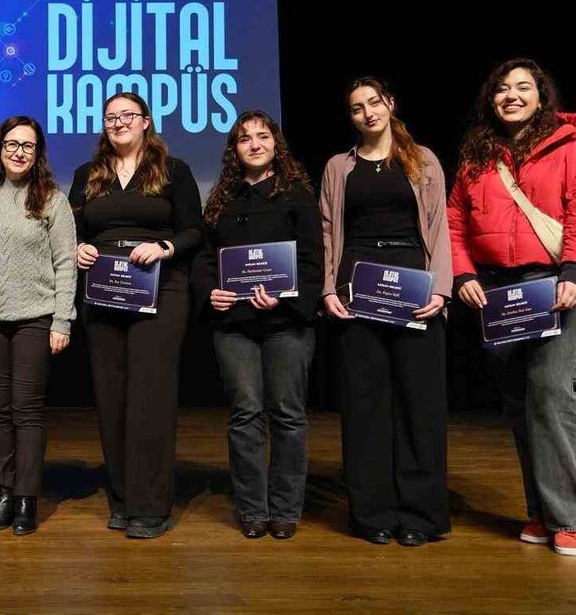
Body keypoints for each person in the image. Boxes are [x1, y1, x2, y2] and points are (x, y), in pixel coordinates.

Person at [448, 58, 576, 556]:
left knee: (551, 393)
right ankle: (541, 511)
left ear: (542, 97)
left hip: (555, 285)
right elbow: (455, 221)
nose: (511, 96)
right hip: (497, 293)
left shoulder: (574, 149)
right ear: (491, 98)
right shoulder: (477, 155)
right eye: (502, 88)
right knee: (520, 401)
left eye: (523, 87)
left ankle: (570, 518)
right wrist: (464, 275)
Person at [320, 77, 451, 547]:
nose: (367, 113)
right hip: (358, 290)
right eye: (357, 108)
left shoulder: (423, 159)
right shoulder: (338, 166)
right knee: (365, 405)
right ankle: (371, 513)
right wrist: (328, 289)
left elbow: (439, 225)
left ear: (390, 103)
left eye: (374, 103)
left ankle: (420, 514)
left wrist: (441, 289)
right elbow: (328, 230)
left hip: (415, 287)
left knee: (419, 405)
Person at [69, 92, 203, 539]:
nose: (118, 122)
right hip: (103, 290)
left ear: (146, 121)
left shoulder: (174, 170)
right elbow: (72, 229)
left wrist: (164, 246)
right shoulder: (87, 174)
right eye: (110, 117)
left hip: (160, 289)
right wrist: (79, 247)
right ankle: (123, 499)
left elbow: (194, 231)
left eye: (127, 115)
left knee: (151, 396)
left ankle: (151, 506)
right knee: (111, 397)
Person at [192, 110, 322, 540]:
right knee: (245, 414)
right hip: (234, 325)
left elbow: (312, 259)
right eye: (244, 138)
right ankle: (252, 508)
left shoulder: (298, 194)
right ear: (235, 149)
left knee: (288, 414)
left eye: (262, 136)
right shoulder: (221, 199)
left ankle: (285, 509)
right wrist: (210, 292)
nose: (254, 144)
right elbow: (205, 259)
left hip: (287, 323)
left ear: (275, 144)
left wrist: (287, 296)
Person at [0, 115, 76, 535]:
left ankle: (27, 498)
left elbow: (66, 264)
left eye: (28, 146)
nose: (18, 152)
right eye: (11, 144)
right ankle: (3, 494)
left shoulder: (53, 201)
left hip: (36, 317)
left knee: (26, 410)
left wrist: (62, 320)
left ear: (38, 154)